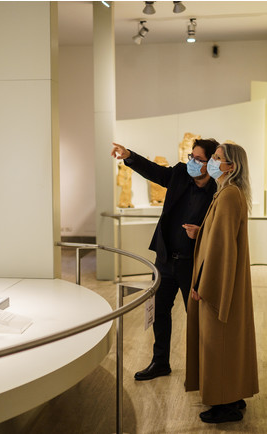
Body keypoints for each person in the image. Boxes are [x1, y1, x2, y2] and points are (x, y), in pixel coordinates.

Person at [110, 138, 218, 380]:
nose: (192, 162)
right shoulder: (180, 174)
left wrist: (201, 232)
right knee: (159, 311)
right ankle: (160, 362)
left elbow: (221, 230)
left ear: (210, 163)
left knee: (198, 317)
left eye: (198, 159)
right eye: (191, 157)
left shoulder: (217, 191)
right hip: (166, 259)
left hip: (193, 264)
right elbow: (154, 171)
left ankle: (204, 369)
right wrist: (129, 156)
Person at [185, 142, 258, 424]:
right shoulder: (230, 192)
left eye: (217, 158)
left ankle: (224, 404)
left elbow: (221, 247)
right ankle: (233, 394)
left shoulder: (228, 195)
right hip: (229, 280)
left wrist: (202, 285)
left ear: (232, 166)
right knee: (231, 341)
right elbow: (220, 235)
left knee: (218, 342)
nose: (212, 163)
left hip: (218, 282)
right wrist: (201, 232)